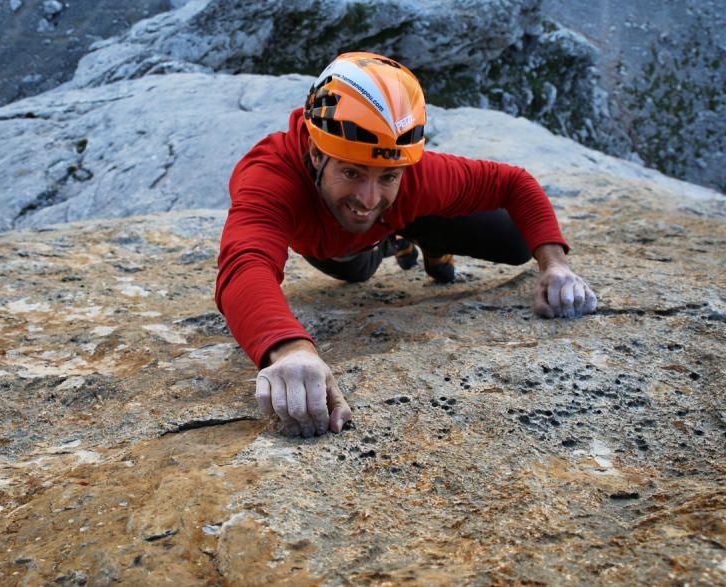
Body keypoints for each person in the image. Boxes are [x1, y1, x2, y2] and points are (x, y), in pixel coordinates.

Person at [215, 51, 598, 439]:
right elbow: (246, 263)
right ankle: (392, 241)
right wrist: (289, 349)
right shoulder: (269, 175)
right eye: (351, 172)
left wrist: (554, 264)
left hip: (403, 217)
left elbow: (513, 184)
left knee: (516, 242)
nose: (367, 196)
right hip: (334, 246)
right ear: (315, 152)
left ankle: (412, 235)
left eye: (388, 176)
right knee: (352, 270)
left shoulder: (416, 177)